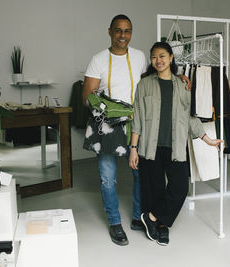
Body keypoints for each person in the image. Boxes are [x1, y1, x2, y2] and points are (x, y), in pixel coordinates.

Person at [82, 14, 192, 246]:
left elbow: (156, 76)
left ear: (131, 33)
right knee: (108, 178)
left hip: (137, 121)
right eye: (118, 30)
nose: (123, 35)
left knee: (141, 175)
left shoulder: (141, 56)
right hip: (108, 125)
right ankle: (114, 222)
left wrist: (178, 77)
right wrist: (112, 109)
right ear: (110, 31)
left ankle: (137, 218)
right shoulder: (98, 59)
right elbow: (87, 98)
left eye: (127, 31)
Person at [129, 42, 223, 246]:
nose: (158, 60)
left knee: (180, 188)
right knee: (154, 189)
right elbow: (137, 118)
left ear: (171, 58)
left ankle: (152, 218)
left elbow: (190, 117)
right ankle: (160, 228)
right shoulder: (144, 84)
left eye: (162, 56)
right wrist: (133, 149)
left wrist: (207, 140)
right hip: (149, 147)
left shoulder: (182, 85)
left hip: (176, 146)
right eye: (154, 57)